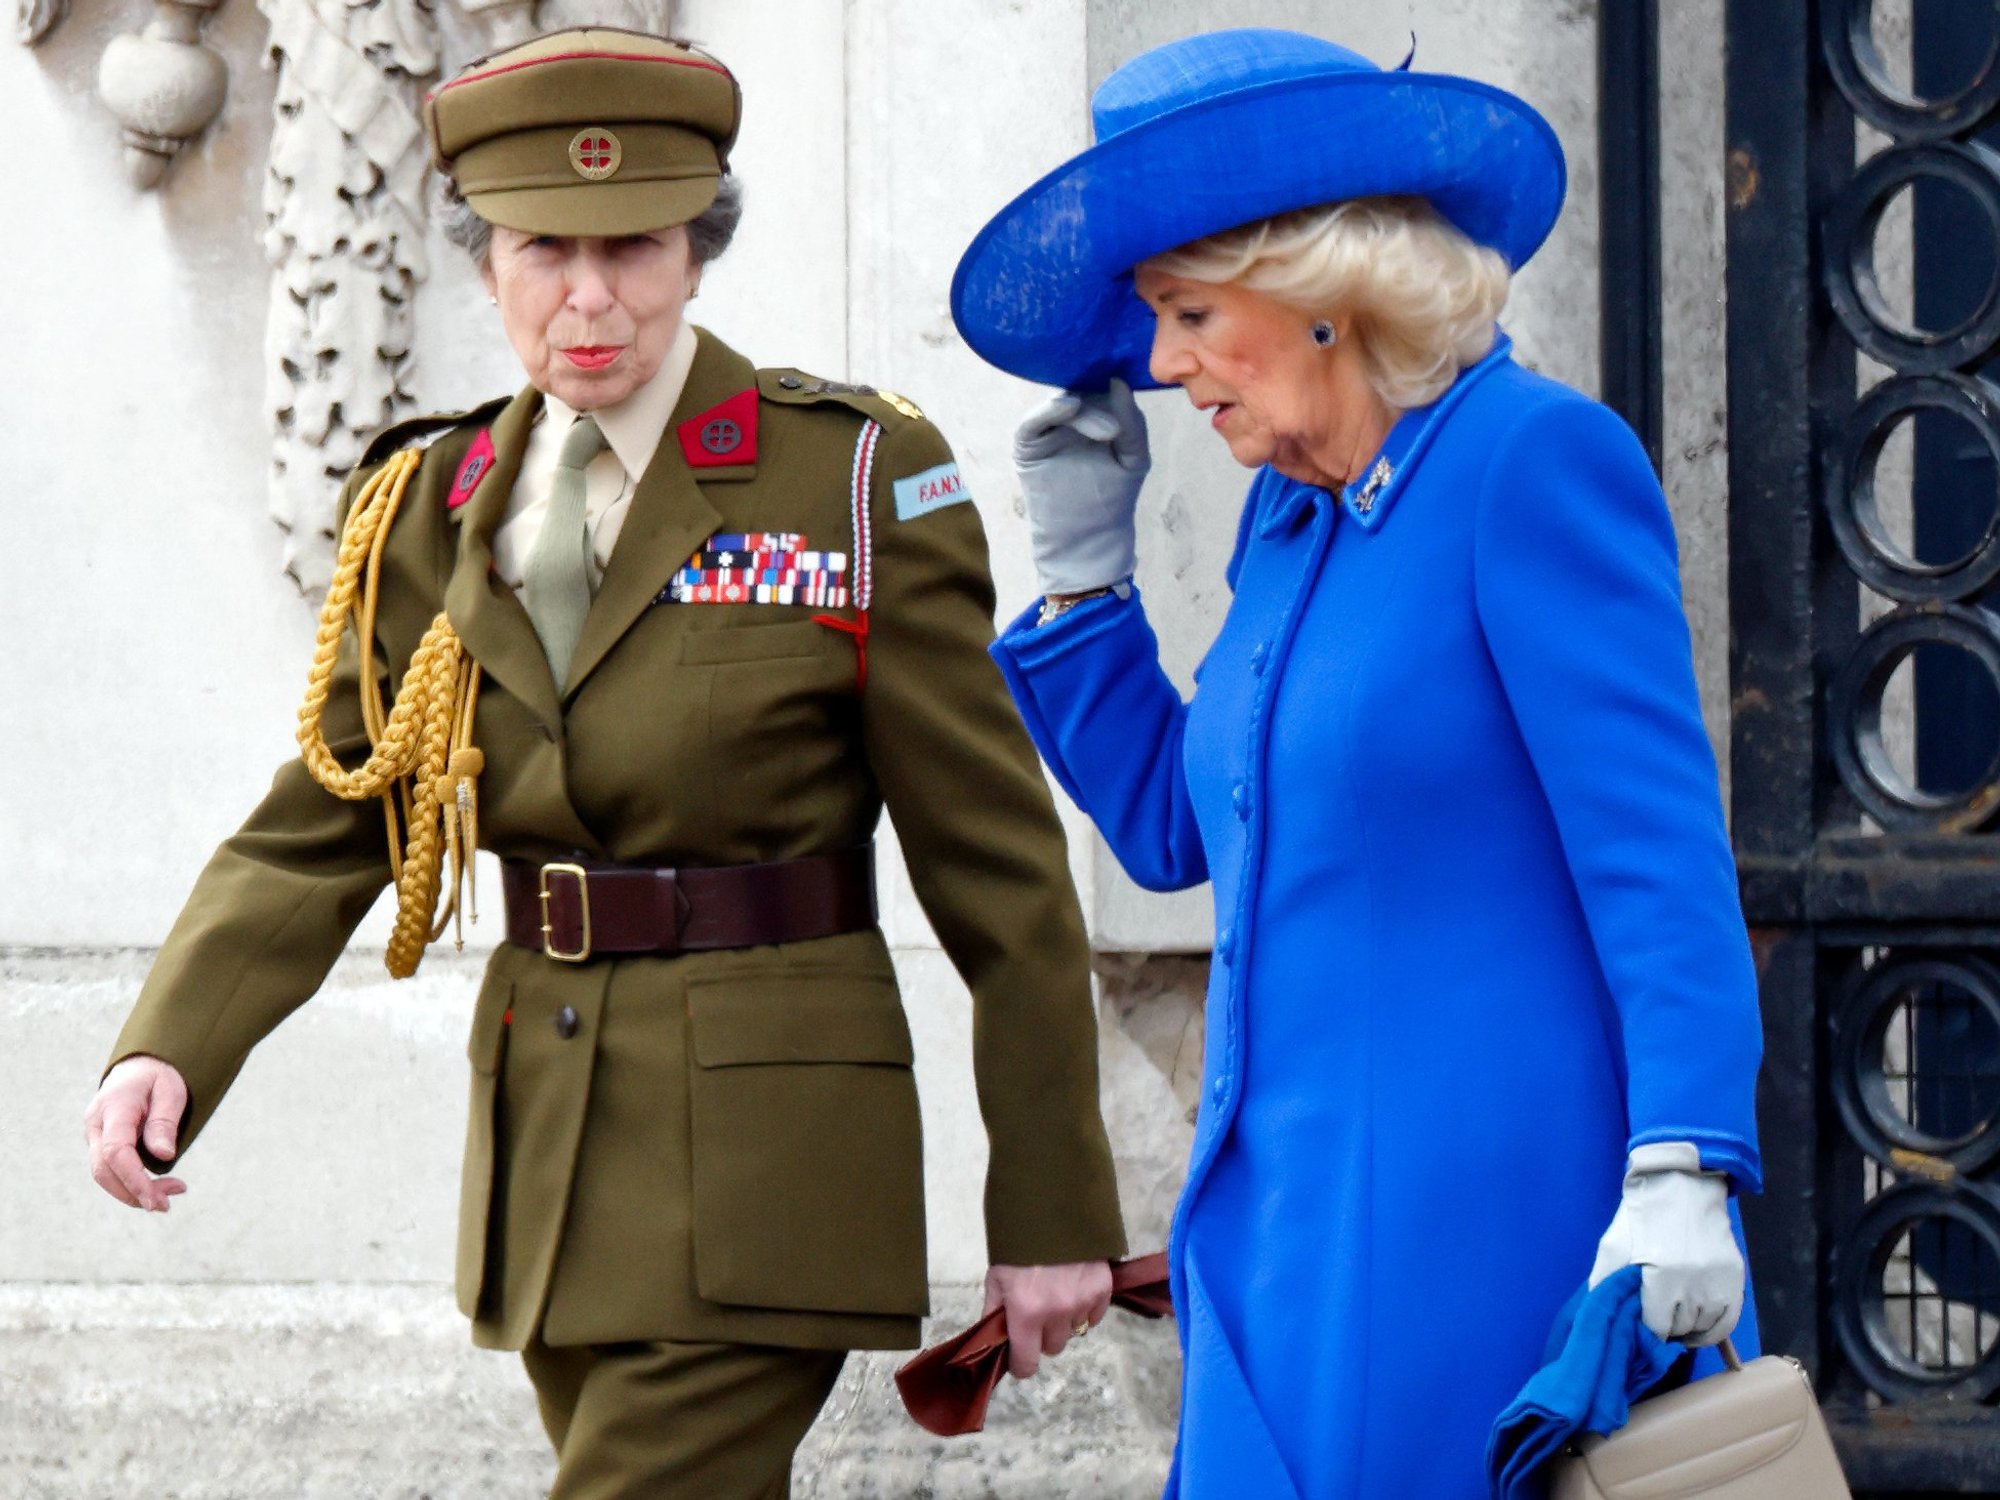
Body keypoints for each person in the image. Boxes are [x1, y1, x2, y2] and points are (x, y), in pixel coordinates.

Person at [83, 28, 1125, 1499]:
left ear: (698, 250)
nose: (588, 297)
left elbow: (1002, 874)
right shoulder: (434, 503)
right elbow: (332, 819)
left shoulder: (849, 478)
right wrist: (166, 1044)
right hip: (550, 1166)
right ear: (481, 258)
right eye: (540, 249)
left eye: (632, 246)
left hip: (770, 1160)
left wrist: (1051, 1197)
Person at [953, 29, 1764, 1500]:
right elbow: (1177, 830)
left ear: (1327, 293)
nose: (1160, 364)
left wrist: (1685, 1162)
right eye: (1153, 317)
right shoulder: (1296, 519)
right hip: (1281, 1231)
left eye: (1191, 312)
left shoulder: (1530, 462)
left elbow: (1657, 855)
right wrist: (1082, 587)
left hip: (1481, 1220)